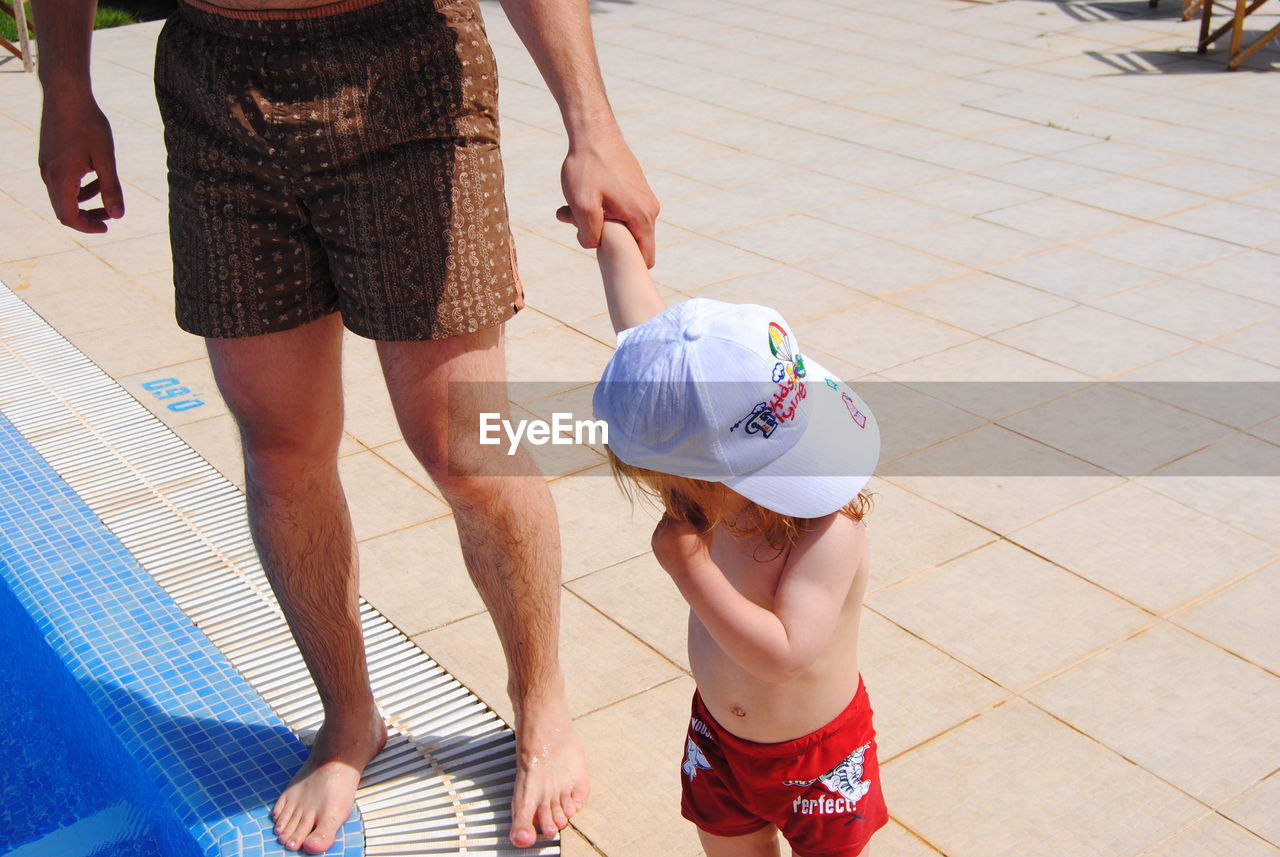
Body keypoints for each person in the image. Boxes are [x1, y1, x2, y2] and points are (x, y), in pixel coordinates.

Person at [33, 0, 659, 852]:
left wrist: (591, 122)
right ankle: (348, 716)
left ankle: (540, 701)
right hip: (218, 79)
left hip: (404, 64)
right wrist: (65, 85)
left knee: (466, 444)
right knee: (279, 446)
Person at [575, 208, 888, 857]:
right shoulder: (712, 474)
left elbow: (785, 651)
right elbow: (643, 331)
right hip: (720, 738)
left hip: (820, 759)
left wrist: (691, 570)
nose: (663, 490)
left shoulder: (828, 529)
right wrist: (611, 232)